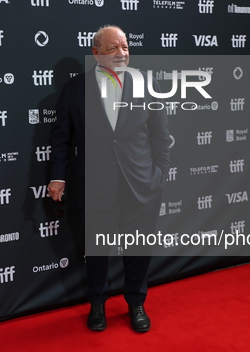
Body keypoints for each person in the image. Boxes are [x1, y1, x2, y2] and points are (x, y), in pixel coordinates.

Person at [48, 25, 170, 332]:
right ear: (96, 53)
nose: (122, 53)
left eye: (125, 47)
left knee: (137, 250)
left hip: (141, 186)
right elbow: (62, 139)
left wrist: (159, 175)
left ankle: (136, 304)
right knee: (97, 251)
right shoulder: (75, 89)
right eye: (114, 48)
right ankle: (98, 304)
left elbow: (161, 137)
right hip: (95, 186)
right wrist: (57, 178)